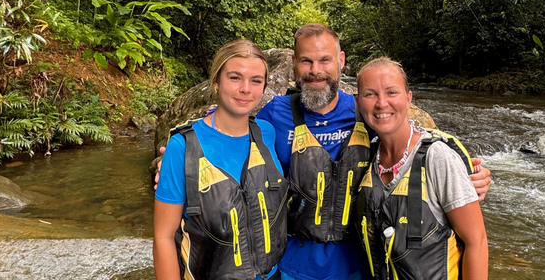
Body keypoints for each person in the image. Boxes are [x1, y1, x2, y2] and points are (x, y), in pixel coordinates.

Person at [156, 24, 491, 280]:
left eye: (324, 60)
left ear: (340, 62)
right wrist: (174, 163)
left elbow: (413, 144)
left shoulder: (367, 109)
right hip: (291, 265)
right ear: (294, 65)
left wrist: (468, 174)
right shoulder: (273, 117)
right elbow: (229, 141)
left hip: (359, 265)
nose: (316, 70)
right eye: (306, 61)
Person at [153, 40, 288, 280]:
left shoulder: (267, 133)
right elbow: (164, 236)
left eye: (256, 80)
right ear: (216, 82)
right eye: (235, 78)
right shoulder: (182, 147)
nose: (246, 89)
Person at [355, 57, 488, 280]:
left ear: (408, 99)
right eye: (370, 94)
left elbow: (477, 241)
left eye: (391, 92)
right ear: (359, 102)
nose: (381, 103)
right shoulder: (365, 156)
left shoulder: (438, 158)